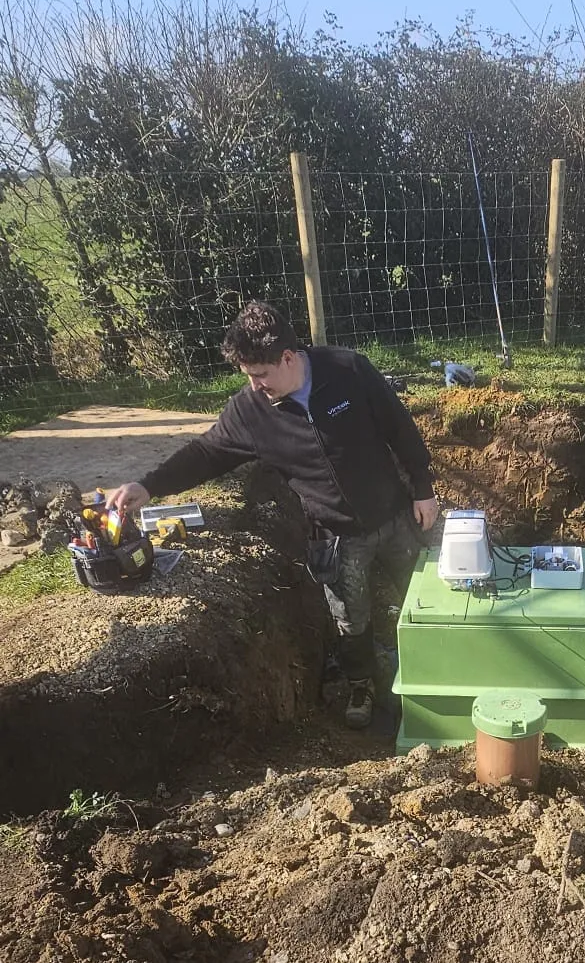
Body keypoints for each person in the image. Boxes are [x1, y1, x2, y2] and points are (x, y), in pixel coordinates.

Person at [109, 301, 439, 730]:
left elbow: (399, 426)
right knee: (350, 618)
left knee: (426, 601)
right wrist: (149, 485)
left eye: (260, 374)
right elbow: (206, 453)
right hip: (336, 535)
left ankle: (435, 672)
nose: (255, 385)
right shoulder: (251, 412)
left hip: (394, 516)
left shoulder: (348, 370)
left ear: (287, 357)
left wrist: (423, 489)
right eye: (248, 375)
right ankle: (361, 685)